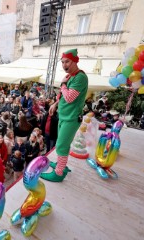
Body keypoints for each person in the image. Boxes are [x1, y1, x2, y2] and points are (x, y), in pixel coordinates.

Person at [41, 49, 88, 182]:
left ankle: (59, 173)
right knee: (62, 144)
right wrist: (55, 104)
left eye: (67, 61)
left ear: (75, 61)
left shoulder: (80, 77)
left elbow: (69, 97)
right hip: (65, 116)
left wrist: (62, 84)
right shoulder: (72, 76)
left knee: (61, 145)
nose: (64, 65)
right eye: (62, 62)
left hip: (71, 118)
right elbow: (64, 97)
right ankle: (61, 165)